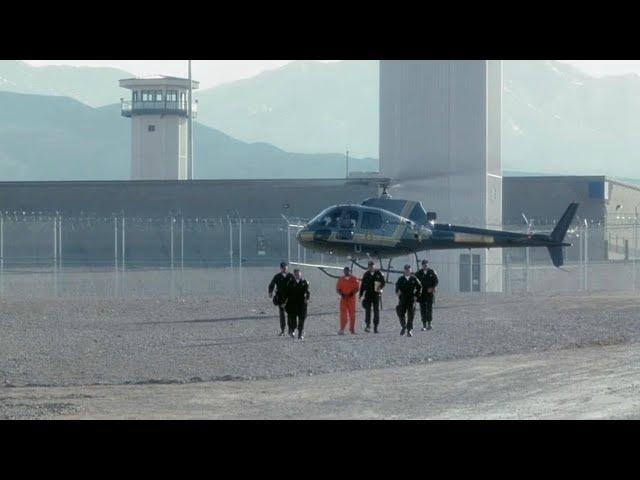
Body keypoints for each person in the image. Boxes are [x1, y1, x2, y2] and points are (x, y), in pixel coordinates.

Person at [395, 264, 422, 337]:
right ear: (404, 271)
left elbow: (420, 287)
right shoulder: (401, 279)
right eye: (406, 270)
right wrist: (398, 292)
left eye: (409, 270)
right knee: (400, 313)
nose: (407, 271)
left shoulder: (414, 279)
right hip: (403, 299)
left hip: (411, 299)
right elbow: (397, 288)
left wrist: (416, 295)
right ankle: (403, 326)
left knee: (411, 315)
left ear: (411, 271)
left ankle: (409, 330)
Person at [359, 260, 386, 333]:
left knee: (376, 311)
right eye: (369, 266)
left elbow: (383, 282)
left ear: (374, 266)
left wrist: (380, 288)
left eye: (372, 266)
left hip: (376, 294)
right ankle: (368, 325)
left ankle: (376, 327)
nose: (371, 267)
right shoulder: (366, 274)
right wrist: (360, 295)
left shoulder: (379, 273)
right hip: (368, 295)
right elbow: (362, 285)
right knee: (367, 311)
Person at [268, 261, 294, 336]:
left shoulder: (291, 276)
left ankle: (290, 330)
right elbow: (271, 284)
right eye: (283, 268)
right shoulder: (277, 276)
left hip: (289, 298)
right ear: (280, 268)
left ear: (287, 268)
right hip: (280, 298)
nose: (284, 269)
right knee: (282, 315)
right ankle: (282, 330)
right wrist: (270, 292)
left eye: (285, 268)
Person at [285, 268, 310, 340]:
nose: (297, 275)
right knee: (293, 320)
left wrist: (307, 298)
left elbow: (307, 292)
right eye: (296, 274)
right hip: (293, 304)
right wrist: (285, 302)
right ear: (294, 275)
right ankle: (292, 330)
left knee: (302, 320)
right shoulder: (290, 282)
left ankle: (300, 334)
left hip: (302, 304)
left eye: (298, 274)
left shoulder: (305, 282)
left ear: (300, 274)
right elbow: (287, 293)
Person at [416, 259, 439, 331]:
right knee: (422, 309)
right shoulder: (418, 273)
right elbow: (415, 282)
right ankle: (424, 324)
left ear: (427, 264)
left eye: (426, 264)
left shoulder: (432, 272)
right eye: (423, 264)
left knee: (429, 308)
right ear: (422, 265)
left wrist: (432, 287)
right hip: (422, 293)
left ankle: (429, 323)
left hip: (429, 293)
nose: (425, 265)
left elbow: (436, 281)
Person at [336, 266, 360, 335]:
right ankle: (342, 329)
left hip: (351, 299)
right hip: (343, 299)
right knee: (343, 315)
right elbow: (338, 288)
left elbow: (357, 288)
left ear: (350, 271)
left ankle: (352, 329)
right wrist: (341, 294)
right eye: (345, 271)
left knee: (352, 314)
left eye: (348, 271)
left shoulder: (354, 279)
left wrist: (352, 293)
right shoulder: (341, 279)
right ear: (344, 272)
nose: (346, 272)